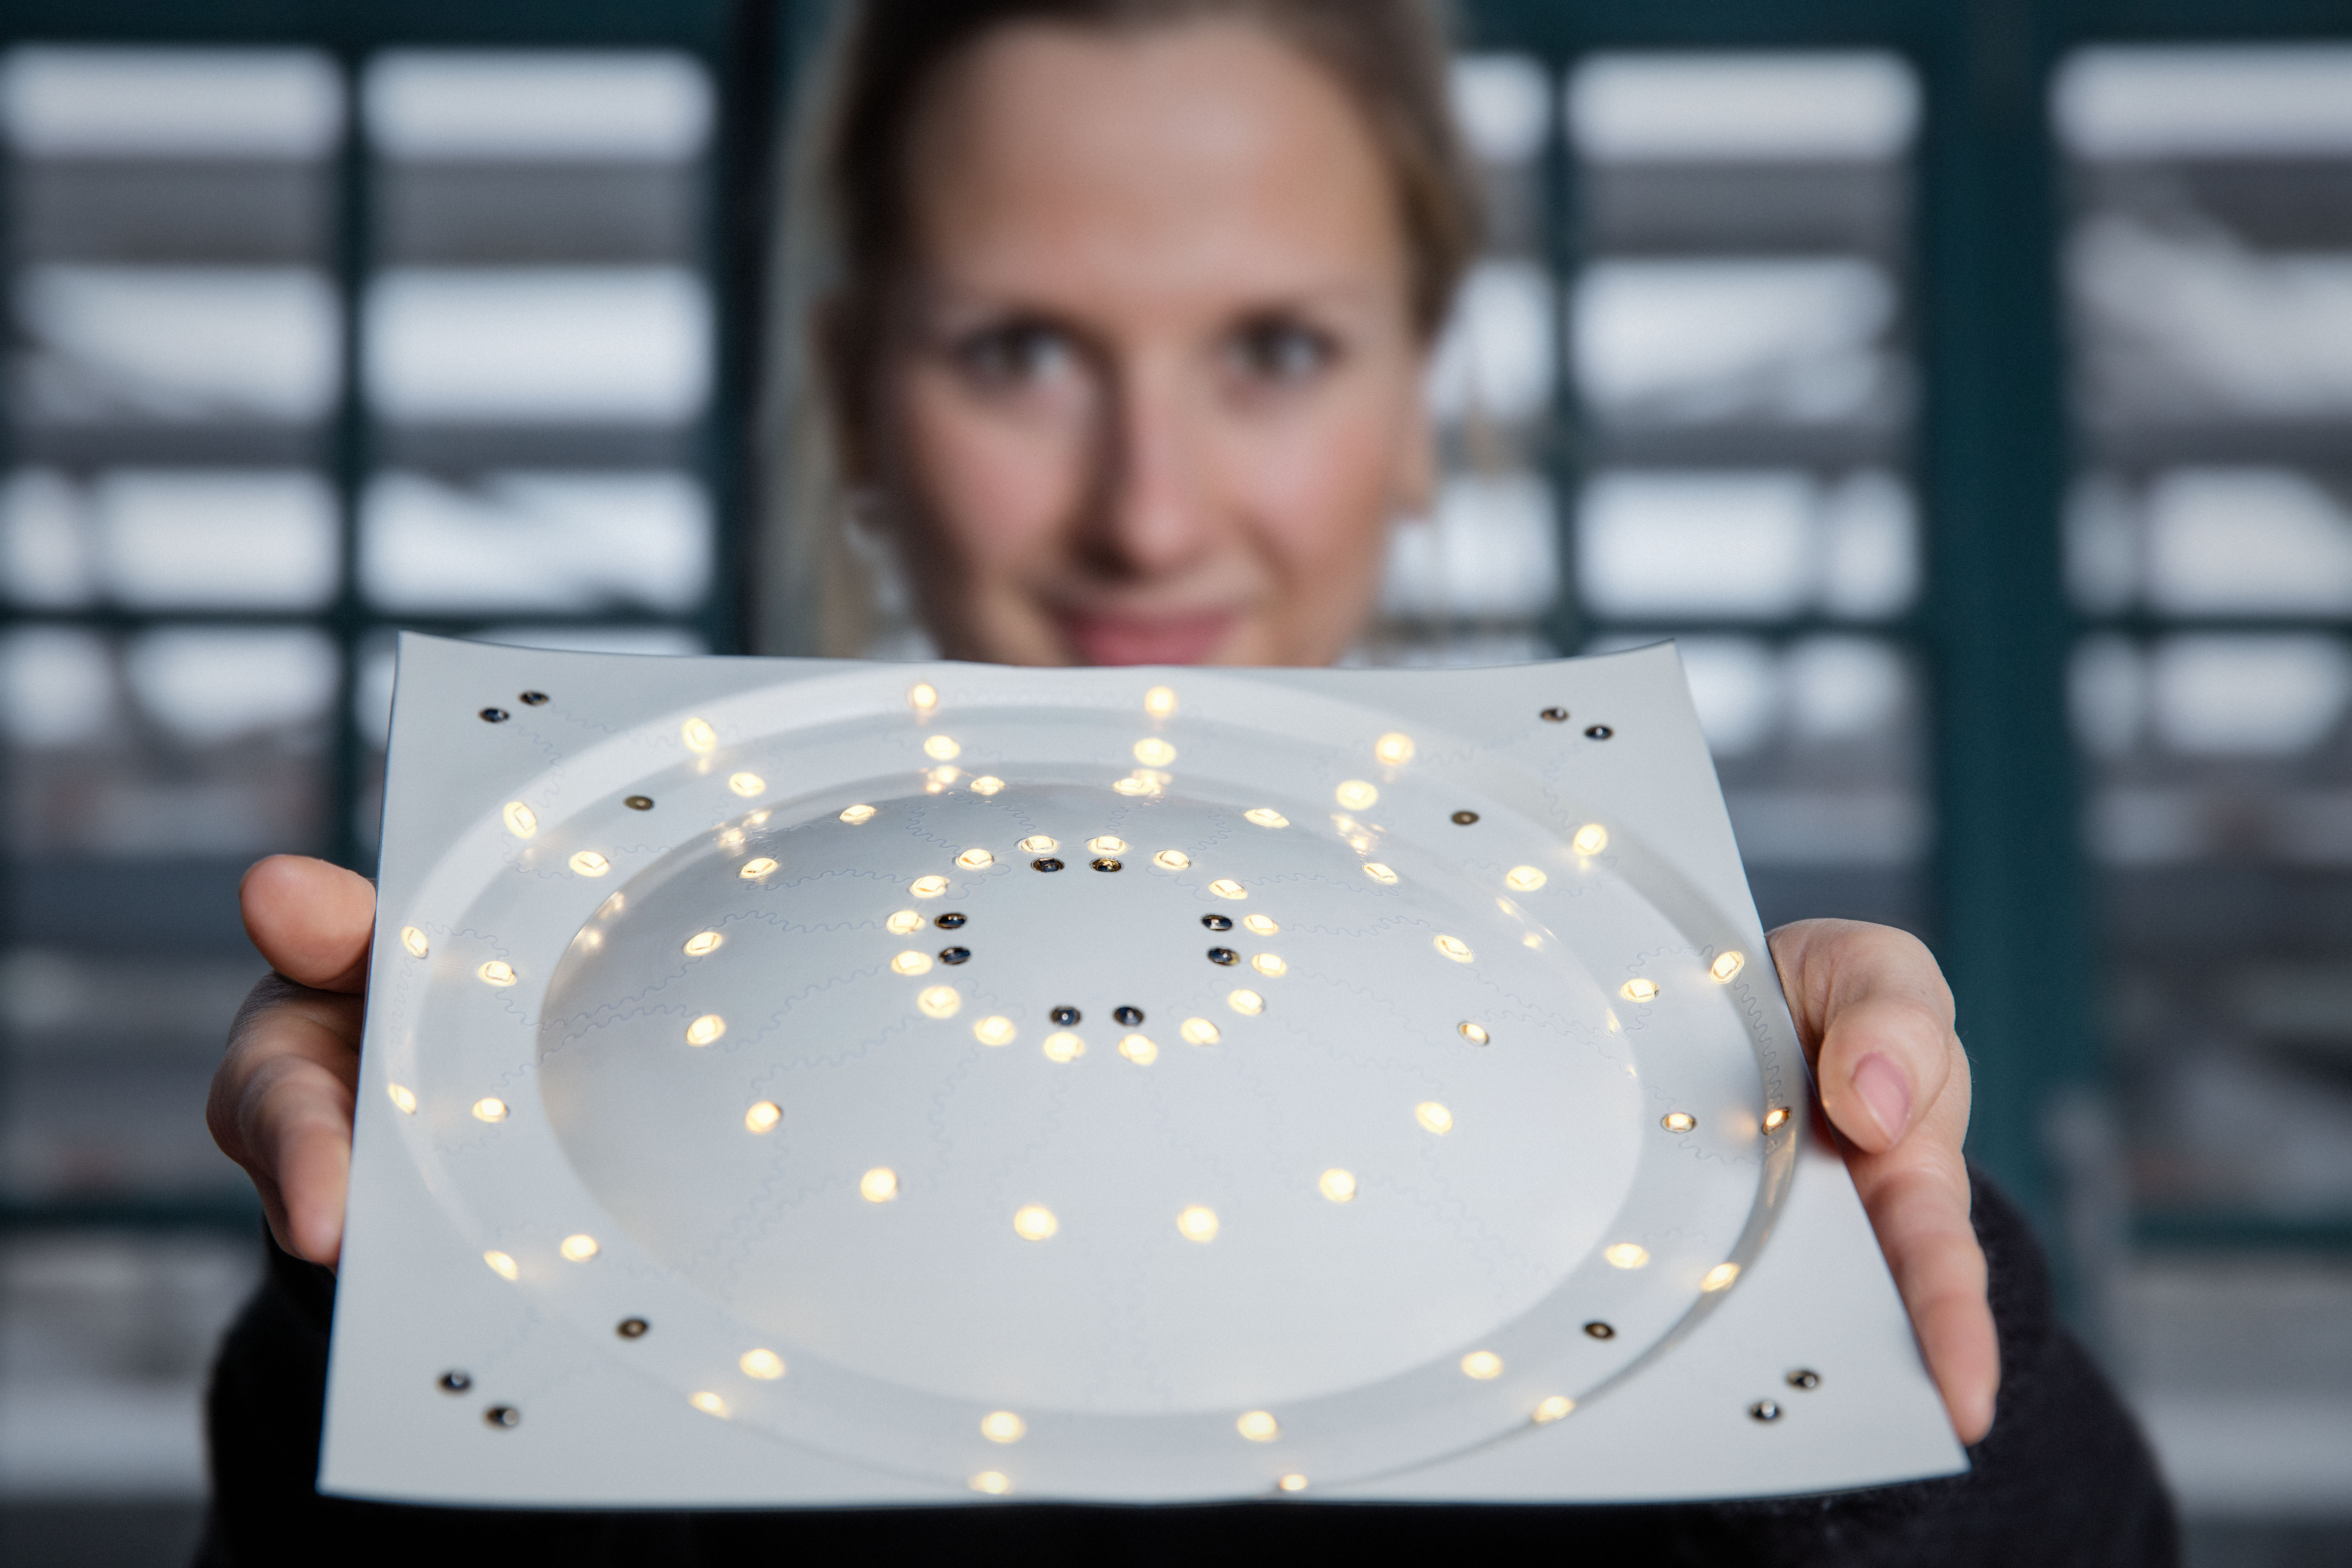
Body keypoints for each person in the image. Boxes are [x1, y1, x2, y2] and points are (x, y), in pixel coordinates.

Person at [199, 3, 2175, 1563]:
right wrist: (401, 1278)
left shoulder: (1656, 1067)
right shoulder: (573, 1025)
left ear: (1424, 405)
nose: (1149, 515)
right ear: (859, 390)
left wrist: (1834, 1261)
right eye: (1025, 351)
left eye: (1279, 350)